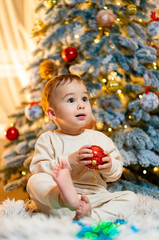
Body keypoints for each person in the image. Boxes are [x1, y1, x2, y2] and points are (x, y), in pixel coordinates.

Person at [27, 74, 137, 222]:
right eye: (71, 100)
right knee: (34, 181)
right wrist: (69, 162)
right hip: (59, 201)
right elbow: (39, 168)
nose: (81, 105)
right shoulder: (48, 139)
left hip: (95, 198)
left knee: (131, 198)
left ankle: (90, 217)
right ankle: (66, 200)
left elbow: (115, 173)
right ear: (52, 113)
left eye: (84, 99)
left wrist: (109, 166)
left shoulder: (100, 138)